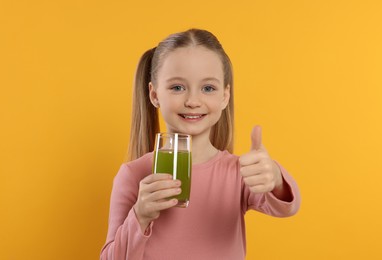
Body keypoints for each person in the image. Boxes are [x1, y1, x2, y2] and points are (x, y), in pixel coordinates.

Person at [100, 28, 300, 260]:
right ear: (154, 95)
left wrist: (274, 177)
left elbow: (287, 208)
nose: (193, 101)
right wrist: (140, 216)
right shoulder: (134, 175)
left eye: (208, 88)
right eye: (177, 87)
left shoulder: (238, 172)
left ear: (224, 97)